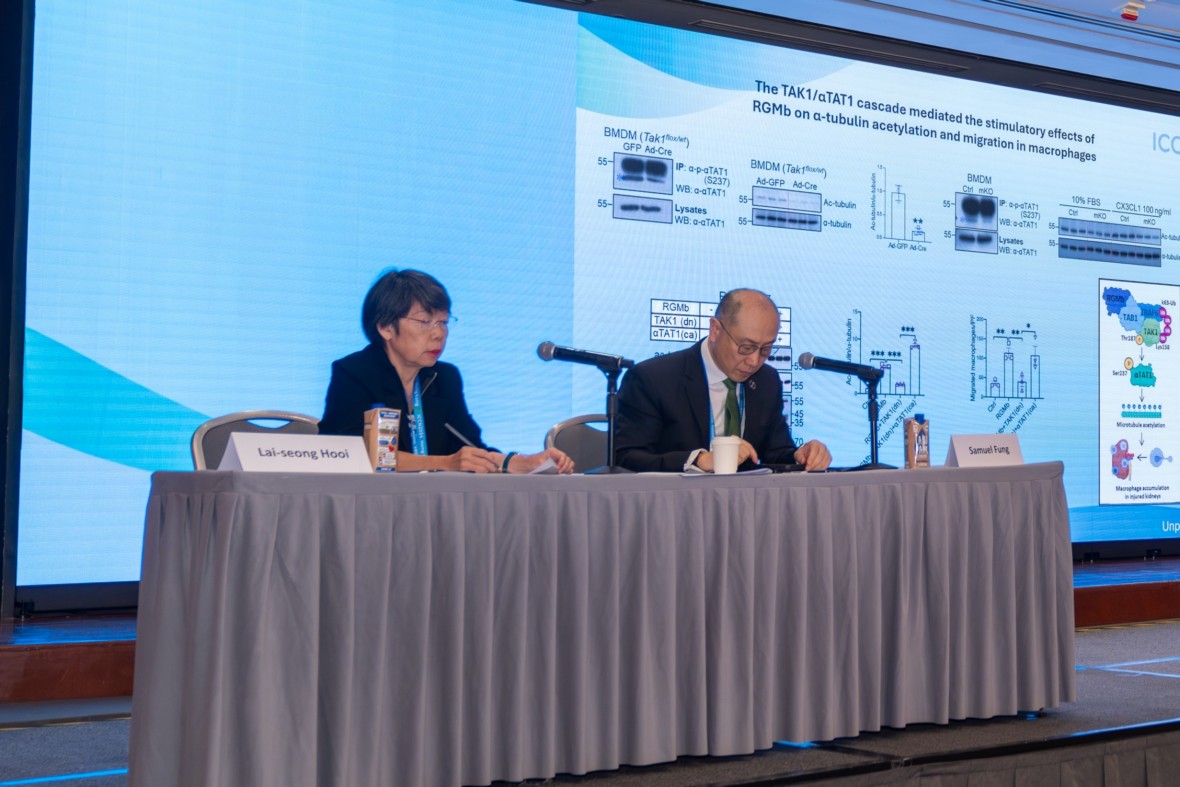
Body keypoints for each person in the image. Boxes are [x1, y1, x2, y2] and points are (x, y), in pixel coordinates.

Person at [319, 268, 574, 474]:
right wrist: (446, 463)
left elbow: (470, 448)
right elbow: (345, 454)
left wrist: (522, 462)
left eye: (443, 321)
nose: (439, 333)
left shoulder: (444, 378)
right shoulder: (354, 373)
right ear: (385, 327)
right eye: (424, 322)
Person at [615, 288, 831, 473]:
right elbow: (625, 457)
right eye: (746, 347)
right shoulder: (653, 378)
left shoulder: (767, 381)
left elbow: (774, 453)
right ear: (715, 330)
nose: (754, 361)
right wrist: (698, 460)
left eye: (766, 349)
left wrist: (801, 456)